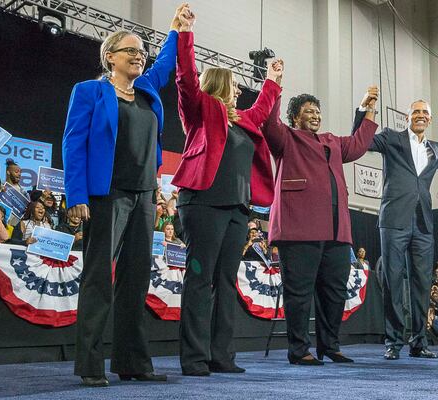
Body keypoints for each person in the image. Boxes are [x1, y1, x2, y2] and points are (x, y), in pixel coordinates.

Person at [62, 5, 188, 387]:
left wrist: (175, 31)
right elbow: (73, 144)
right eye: (130, 50)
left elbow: (165, 64)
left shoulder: (147, 92)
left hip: (145, 196)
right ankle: (90, 365)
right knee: (98, 278)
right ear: (109, 56)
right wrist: (76, 195)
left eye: (141, 51)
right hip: (107, 195)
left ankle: (133, 363)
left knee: (135, 281)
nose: (138, 55)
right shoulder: (89, 92)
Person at [171, 9, 282, 376]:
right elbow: (186, 78)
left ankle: (221, 356)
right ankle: (195, 358)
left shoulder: (243, 120)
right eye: (234, 84)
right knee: (200, 279)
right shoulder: (202, 110)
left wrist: (273, 80)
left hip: (237, 209)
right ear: (220, 85)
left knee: (226, 281)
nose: (238, 90)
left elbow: (263, 109)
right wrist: (186, 34)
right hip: (202, 203)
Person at [352, 101, 438, 360]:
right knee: (393, 282)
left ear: (430, 119)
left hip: (424, 223)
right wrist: (363, 110)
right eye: (416, 112)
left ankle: (418, 342)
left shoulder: (435, 149)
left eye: (425, 113)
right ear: (407, 117)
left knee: (422, 284)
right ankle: (393, 342)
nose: (420, 116)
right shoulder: (392, 138)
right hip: (394, 219)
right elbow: (361, 142)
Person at [261, 81, 379, 365]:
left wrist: (368, 110)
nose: (315, 115)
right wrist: (274, 85)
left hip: (337, 230)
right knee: (299, 293)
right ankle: (299, 349)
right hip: (299, 228)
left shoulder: (332, 141)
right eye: (308, 111)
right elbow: (268, 123)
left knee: (334, 291)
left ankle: (330, 345)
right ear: (295, 117)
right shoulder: (286, 137)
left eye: (317, 111)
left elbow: (359, 144)